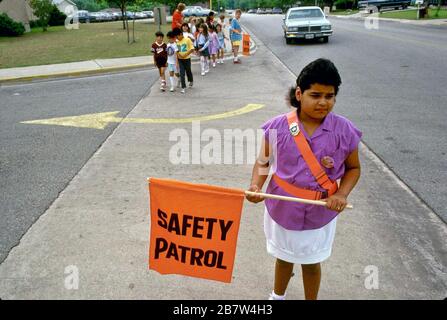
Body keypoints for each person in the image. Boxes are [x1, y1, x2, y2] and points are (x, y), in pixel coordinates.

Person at [246, 58, 362, 300]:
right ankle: (278, 296)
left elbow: (353, 168)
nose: (323, 102)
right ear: (299, 94)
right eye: (315, 94)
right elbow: (263, 162)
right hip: (282, 207)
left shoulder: (345, 130)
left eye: (329, 96)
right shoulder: (277, 127)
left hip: (321, 211)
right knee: (284, 257)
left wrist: (341, 194)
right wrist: (256, 186)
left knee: (311, 262)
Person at [174, 28, 195, 94]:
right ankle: (183, 87)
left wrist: (185, 55)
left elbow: (192, 49)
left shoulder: (187, 40)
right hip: (180, 60)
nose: (177, 38)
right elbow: (177, 51)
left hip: (187, 59)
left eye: (177, 36)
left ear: (180, 34)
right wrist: (178, 58)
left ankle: (191, 80)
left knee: (188, 71)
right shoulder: (177, 42)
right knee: (182, 73)